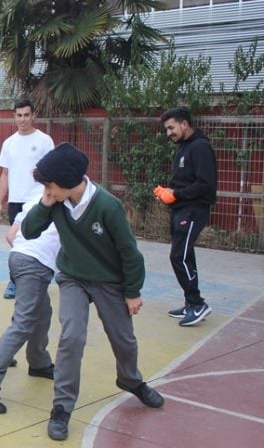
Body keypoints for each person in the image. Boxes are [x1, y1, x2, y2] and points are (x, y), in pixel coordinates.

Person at [21, 143, 164, 441]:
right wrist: (45, 204)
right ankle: (61, 407)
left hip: (109, 281)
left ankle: (130, 380)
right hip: (73, 277)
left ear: (67, 180)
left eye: (49, 185)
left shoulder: (107, 206)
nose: (47, 190)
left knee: (124, 339)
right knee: (72, 337)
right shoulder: (55, 201)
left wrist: (132, 291)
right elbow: (29, 231)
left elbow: (130, 252)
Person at [0, 192, 59, 414]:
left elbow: (11, 235)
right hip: (34, 263)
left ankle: (39, 361)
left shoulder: (38, 196)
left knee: (42, 311)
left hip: (19, 257)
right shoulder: (67, 199)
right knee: (23, 322)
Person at [156, 107, 217, 327]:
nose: (168, 133)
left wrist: (176, 194)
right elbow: (183, 181)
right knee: (185, 255)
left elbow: (205, 184)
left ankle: (197, 303)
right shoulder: (183, 148)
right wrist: (166, 192)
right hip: (181, 209)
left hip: (194, 210)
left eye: (171, 127)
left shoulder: (200, 147)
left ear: (185, 124)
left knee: (178, 256)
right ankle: (191, 303)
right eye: (166, 129)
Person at [0, 99, 54, 299]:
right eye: (19, 115)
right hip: (16, 200)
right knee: (16, 241)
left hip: (39, 201)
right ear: (15, 117)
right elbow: (5, 174)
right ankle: (15, 279)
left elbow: (52, 172)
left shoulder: (44, 141)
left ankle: (37, 277)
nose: (23, 119)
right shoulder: (9, 143)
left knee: (37, 239)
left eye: (26, 115)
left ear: (33, 115)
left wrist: (50, 196)